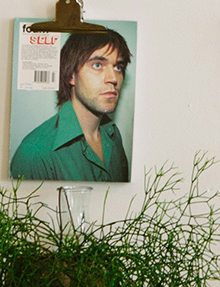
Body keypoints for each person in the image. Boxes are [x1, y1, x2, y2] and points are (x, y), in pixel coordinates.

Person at [10, 30, 132, 182]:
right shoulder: (35, 153)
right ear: (71, 75)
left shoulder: (112, 134)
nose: (114, 78)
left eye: (118, 67)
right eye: (97, 65)